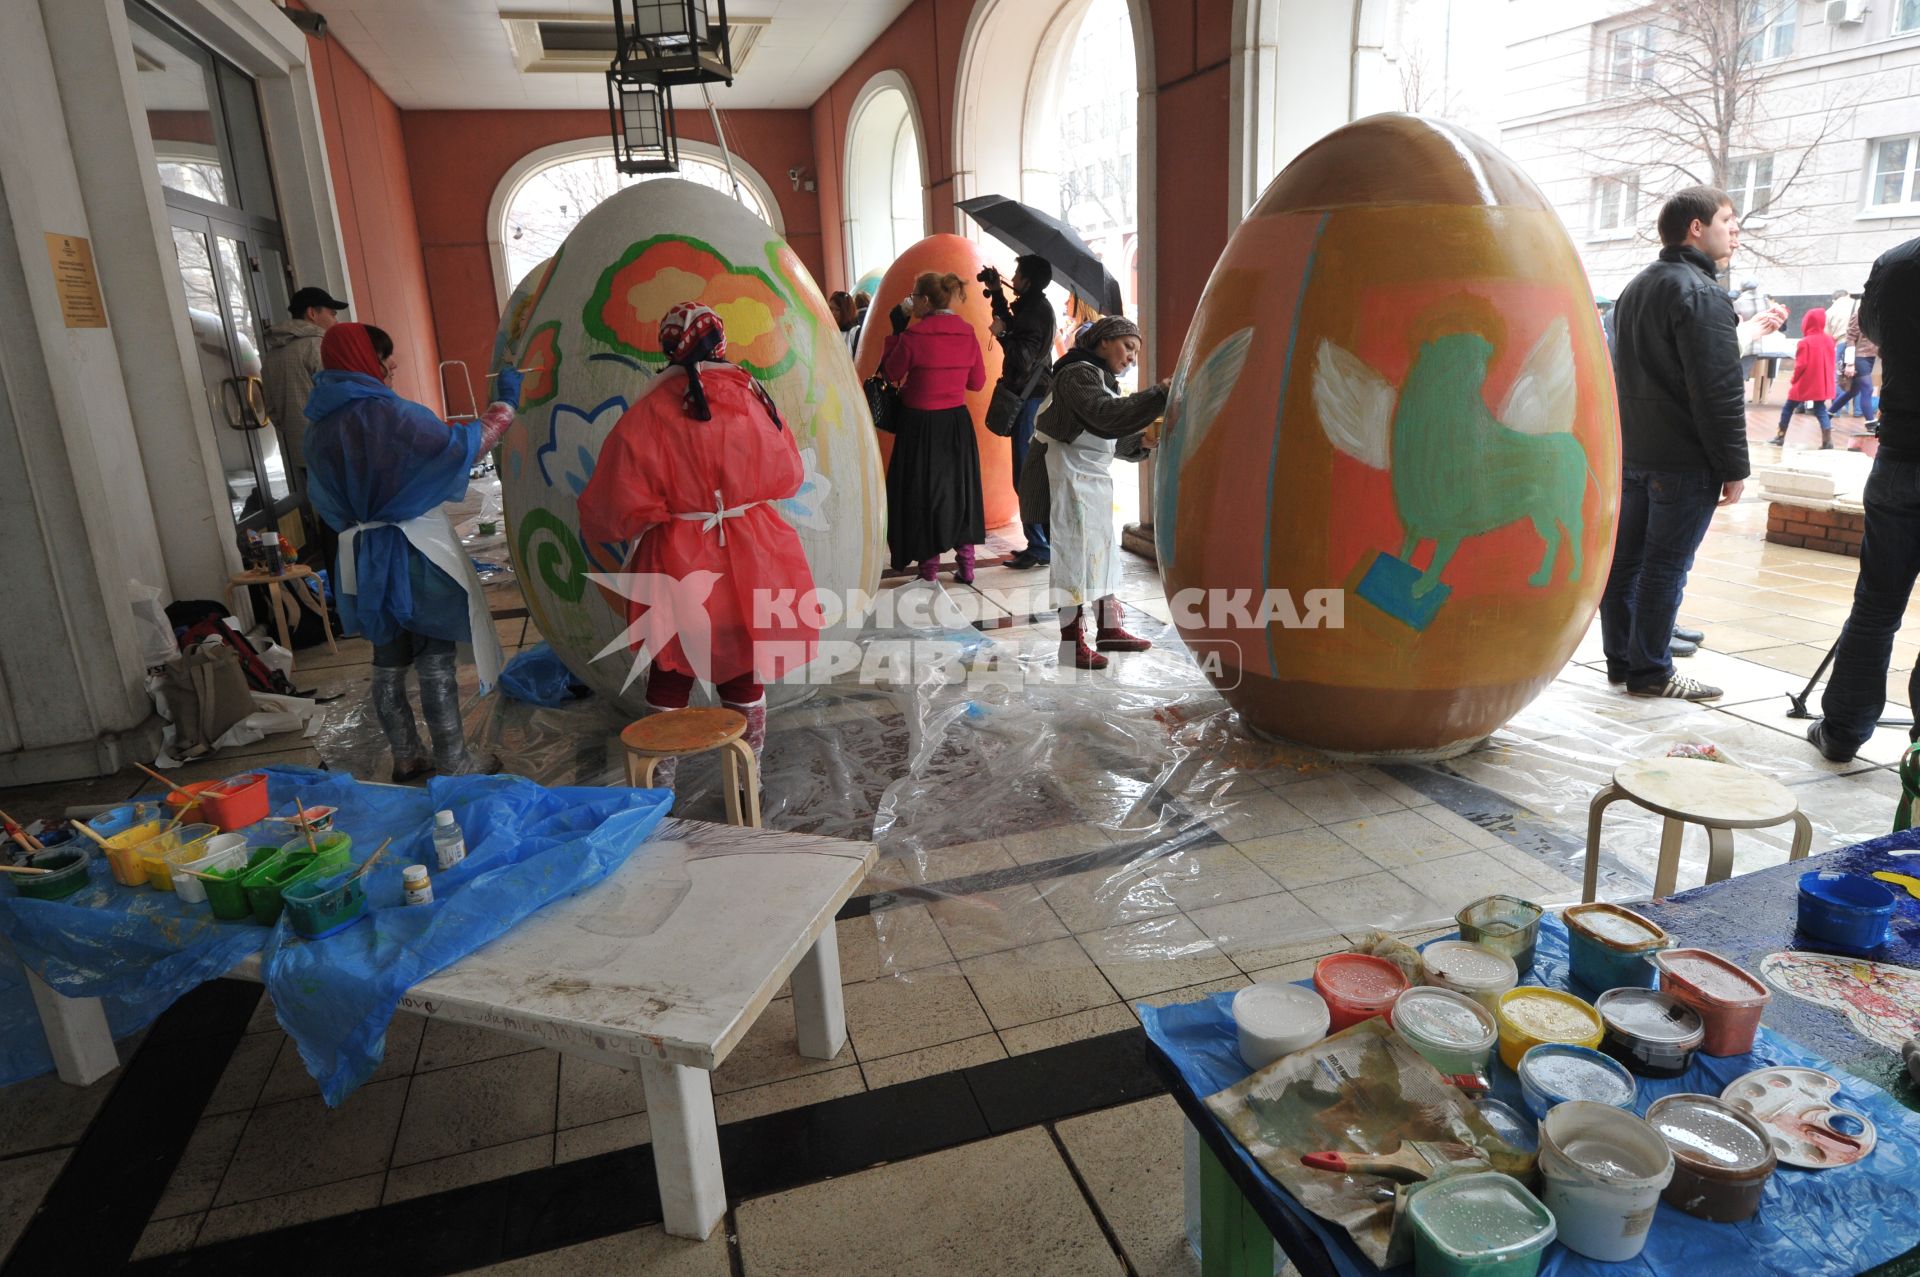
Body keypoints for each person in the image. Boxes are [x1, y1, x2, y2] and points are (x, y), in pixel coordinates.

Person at [578, 303, 819, 776]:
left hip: (677, 557)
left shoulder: (649, 410)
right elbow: (789, 473)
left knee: (669, 673)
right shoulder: (752, 398)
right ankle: (747, 780)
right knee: (743, 667)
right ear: (721, 342)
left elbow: (612, 501)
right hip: (751, 553)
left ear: (667, 347)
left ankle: (660, 789)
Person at [304, 323, 518, 780]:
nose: (392, 364)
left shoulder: (319, 428)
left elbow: (324, 500)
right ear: (366, 361)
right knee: (434, 656)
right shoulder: (390, 416)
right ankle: (454, 761)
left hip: (364, 554)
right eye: (385, 355)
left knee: (387, 660)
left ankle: (406, 756)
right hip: (414, 548)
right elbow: (461, 447)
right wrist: (503, 408)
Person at [1600, 186, 1758, 701]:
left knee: (1627, 565)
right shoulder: (1702, 293)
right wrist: (1734, 466)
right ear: (1697, 227)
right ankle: (1653, 671)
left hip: (1636, 455)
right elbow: (1717, 390)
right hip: (1681, 460)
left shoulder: (1637, 287)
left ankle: (1624, 660)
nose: (1734, 231)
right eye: (1727, 220)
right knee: (1664, 568)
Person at [1807, 235, 1920, 762]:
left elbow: (1870, 331)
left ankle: (1843, 731)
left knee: (1875, 608)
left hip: (1901, 457)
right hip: (1899, 453)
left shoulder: (1897, 262)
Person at [1032, 315, 1167, 669]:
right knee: (1073, 560)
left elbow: (1111, 436)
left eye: (1135, 353)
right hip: (1063, 476)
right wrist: (1159, 395)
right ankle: (1070, 642)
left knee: (1102, 554)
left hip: (1088, 479)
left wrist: (1141, 442)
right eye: (1128, 347)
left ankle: (1109, 628)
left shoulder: (1099, 379)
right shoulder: (1077, 373)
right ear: (1103, 342)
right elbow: (1104, 416)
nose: (1131, 358)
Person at [880, 272, 987, 583]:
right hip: (956, 423)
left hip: (920, 426)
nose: (911, 300)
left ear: (925, 300)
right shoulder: (967, 333)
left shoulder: (914, 337)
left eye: (914, 295)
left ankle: (929, 570)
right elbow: (976, 382)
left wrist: (896, 331)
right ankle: (966, 564)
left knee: (923, 493)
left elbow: (890, 372)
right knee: (960, 491)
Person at [985, 255, 1058, 571]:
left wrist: (1002, 333)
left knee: (1026, 476)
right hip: (1033, 395)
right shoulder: (1033, 307)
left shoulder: (1036, 312)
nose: (1012, 277)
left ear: (1027, 280)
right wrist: (998, 296)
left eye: (1017, 273)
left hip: (1030, 398)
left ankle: (1040, 545)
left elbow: (1022, 357)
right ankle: (1041, 542)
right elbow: (1018, 330)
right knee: (1028, 473)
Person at [261, 286, 348, 489]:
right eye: (332, 313)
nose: (336, 320)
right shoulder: (319, 346)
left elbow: (271, 407)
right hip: (332, 448)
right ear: (312, 313)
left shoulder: (272, 354)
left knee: (324, 509)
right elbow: (339, 397)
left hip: (300, 450)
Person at [1772, 307, 1837, 449]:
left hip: (1806, 382)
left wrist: (1794, 380)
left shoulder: (1805, 342)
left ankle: (1780, 436)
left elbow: (1801, 365)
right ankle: (1827, 441)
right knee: (1820, 409)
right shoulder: (1829, 340)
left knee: (1788, 408)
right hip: (1822, 382)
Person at [1833, 301, 1879, 429]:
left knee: (1853, 391)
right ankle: (1871, 424)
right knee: (1868, 389)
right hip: (1859, 357)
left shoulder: (1879, 313)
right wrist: (1850, 363)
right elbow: (1851, 338)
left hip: (1871, 357)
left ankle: (1829, 413)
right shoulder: (1860, 313)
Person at [828, 290, 862, 357]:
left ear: (846, 311)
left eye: (837, 310)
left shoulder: (855, 333)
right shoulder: (827, 331)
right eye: (831, 309)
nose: (833, 313)